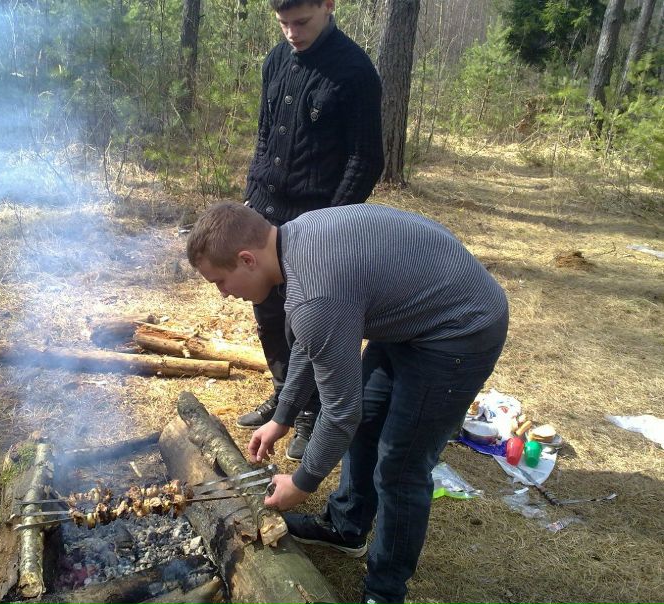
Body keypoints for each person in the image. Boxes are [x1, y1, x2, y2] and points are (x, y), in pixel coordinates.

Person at [187, 202, 508, 604]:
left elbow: (340, 410)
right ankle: (347, 527)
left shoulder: (315, 292)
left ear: (246, 259)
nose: (223, 294)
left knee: (400, 466)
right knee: (368, 425)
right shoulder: (294, 240)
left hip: (460, 328)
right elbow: (313, 341)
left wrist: (303, 483)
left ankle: (384, 592)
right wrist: (283, 417)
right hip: (411, 317)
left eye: (220, 281)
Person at [238, 0, 384, 462]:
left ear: (328, 5)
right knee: (267, 313)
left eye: (301, 22)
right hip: (266, 213)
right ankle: (284, 398)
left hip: (316, 221)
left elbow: (366, 159)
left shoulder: (355, 71)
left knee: (310, 324)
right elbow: (264, 137)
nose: (292, 33)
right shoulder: (276, 60)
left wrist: (327, 226)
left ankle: (311, 414)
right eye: (283, 23)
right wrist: (251, 198)